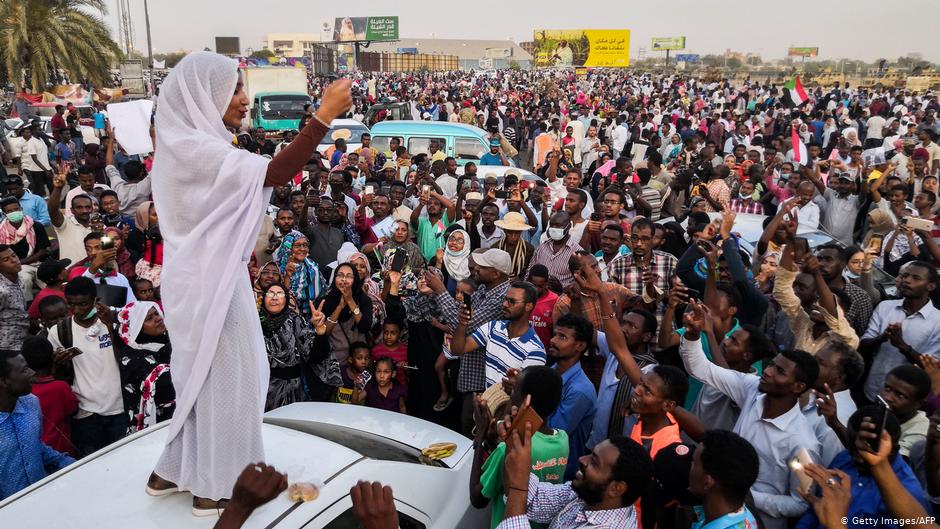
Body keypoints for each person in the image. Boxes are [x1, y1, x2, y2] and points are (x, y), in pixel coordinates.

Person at [145, 52, 351, 513]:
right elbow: (275, 174)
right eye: (234, 90)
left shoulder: (184, 143)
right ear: (205, 96)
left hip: (202, 279)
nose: (244, 99)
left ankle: (172, 470)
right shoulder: (197, 149)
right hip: (210, 283)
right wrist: (323, 116)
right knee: (233, 381)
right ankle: (215, 489)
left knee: (204, 379)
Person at [680, 299, 821, 529]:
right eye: (772, 365)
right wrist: (694, 335)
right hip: (718, 513)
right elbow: (702, 369)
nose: (767, 371)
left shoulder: (803, 443)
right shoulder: (752, 388)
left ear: (798, 387)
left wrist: (747, 494)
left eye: (780, 371)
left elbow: (800, 502)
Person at [470, 365, 569, 529]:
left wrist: (480, 435)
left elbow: (477, 498)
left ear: (526, 402)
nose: (509, 395)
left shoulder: (509, 449)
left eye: (513, 391)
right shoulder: (562, 440)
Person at [795, 407, 926, 529]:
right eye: (853, 448)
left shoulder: (909, 495)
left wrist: (836, 523)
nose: (856, 457)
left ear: (890, 449)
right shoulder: (844, 458)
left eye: (864, 450)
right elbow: (815, 510)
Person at [499, 426, 653, 529]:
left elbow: (520, 493)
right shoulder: (589, 494)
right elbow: (533, 500)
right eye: (590, 454)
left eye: (594, 462)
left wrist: (519, 485)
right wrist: (512, 446)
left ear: (616, 488)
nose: (582, 460)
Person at [47, 277, 126, 457]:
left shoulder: (114, 320)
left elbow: (126, 358)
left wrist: (111, 326)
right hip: (86, 412)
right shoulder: (59, 331)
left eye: (82, 304)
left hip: (119, 406)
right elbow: (56, 375)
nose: (76, 310)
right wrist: (59, 362)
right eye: (71, 305)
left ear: (95, 300)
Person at [860, 261, 940, 404]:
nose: (907, 280)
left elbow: (931, 367)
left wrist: (902, 346)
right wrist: (883, 337)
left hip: (905, 402)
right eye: (905, 276)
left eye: (916, 278)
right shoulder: (885, 307)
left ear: (931, 286)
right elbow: (863, 346)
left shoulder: (937, 321)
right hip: (872, 391)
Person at [0, 349, 75, 501]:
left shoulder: (32, 403)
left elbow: (36, 446)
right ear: (3, 381)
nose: (32, 373)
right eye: (24, 370)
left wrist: (69, 464)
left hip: (42, 499)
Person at [450, 279, 546, 389]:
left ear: (528, 306)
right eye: (505, 299)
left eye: (512, 301)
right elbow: (457, 350)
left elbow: (521, 393)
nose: (505, 304)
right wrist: (463, 323)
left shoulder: (535, 351)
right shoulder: (493, 327)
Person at [259, 283, 339, 409]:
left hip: (292, 391)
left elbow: (315, 356)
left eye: (280, 294)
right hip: (261, 389)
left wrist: (320, 331)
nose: (274, 297)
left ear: (286, 299)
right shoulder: (255, 323)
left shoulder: (296, 322)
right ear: (263, 298)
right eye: (270, 293)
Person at [115, 301, 174, 433]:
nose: (158, 318)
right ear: (136, 328)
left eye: (156, 314)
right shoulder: (133, 359)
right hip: (159, 428)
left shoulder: (173, 341)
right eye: (149, 318)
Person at [21, 336, 79, 455]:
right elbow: (73, 409)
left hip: (36, 454)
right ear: (52, 357)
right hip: (63, 451)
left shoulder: (23, 392)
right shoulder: (60, 387)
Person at [608, 218, 677, 317]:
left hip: (661, 326)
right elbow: (613, 302)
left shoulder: (669, 262)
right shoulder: (617, 265)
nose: (639, 244)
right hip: (628, 328)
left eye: (645, 239)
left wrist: (657, 292)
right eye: (635, 238)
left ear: (652, 239)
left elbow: (678, 299)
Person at [0, 196, 50, 299]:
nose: (14, 212)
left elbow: (43, 251)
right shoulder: (2, 232)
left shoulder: (36, 226)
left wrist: (21, 261)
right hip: (19, 267)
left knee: (51, 281)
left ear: (21, 209)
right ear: (4, 214)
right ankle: (27, 306)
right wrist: (18, 264)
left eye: (16, 209)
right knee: (24, 279)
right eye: (9, 211)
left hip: (40, 262)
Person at [880, 365, 931, 458]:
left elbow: (892, 462)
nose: (887, 397)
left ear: (918, 403)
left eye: (900, 395)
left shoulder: (919, 432)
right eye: (887, 388)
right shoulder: (883, 411)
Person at [272, 231, 325, 320]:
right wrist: (287, 277)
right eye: (297, 245)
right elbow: (280, 296)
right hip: (281, 317)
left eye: (305, 245)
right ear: (288, 248)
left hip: (309, 317)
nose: (302, 249)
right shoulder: (275, 269)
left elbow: (321, 294)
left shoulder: (312, 268)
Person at [47, 167, 96, 263]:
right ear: (72, 210)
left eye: (87, 207)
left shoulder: (99, 225)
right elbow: (52, 210)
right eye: (79, 207)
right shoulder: (65, 224)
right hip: (71, 274)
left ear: (92, 208)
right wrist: (58, 188)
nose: (84, 210)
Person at [528, 211, 583, 289]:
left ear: (568, 226)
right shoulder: (541, 248)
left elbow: (579, 282)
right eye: (551, 225)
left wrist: (561, 287)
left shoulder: (577, 252)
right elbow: (529, 272)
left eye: (558, 225)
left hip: (563, 298)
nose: (554, 228)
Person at [0, 244, 28, 350]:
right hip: (7, 346)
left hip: (24, 336)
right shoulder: (2, 291)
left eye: (14, 255)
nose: (14, 260)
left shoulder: (19, 278)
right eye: (6, 259)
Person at [528, 265, 558, 348]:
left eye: (540, 286)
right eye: (533, 285)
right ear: (528, 281)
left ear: (546, 284)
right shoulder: (522, 296)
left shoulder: (555, 300)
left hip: (545, 350)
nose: (536, 289)